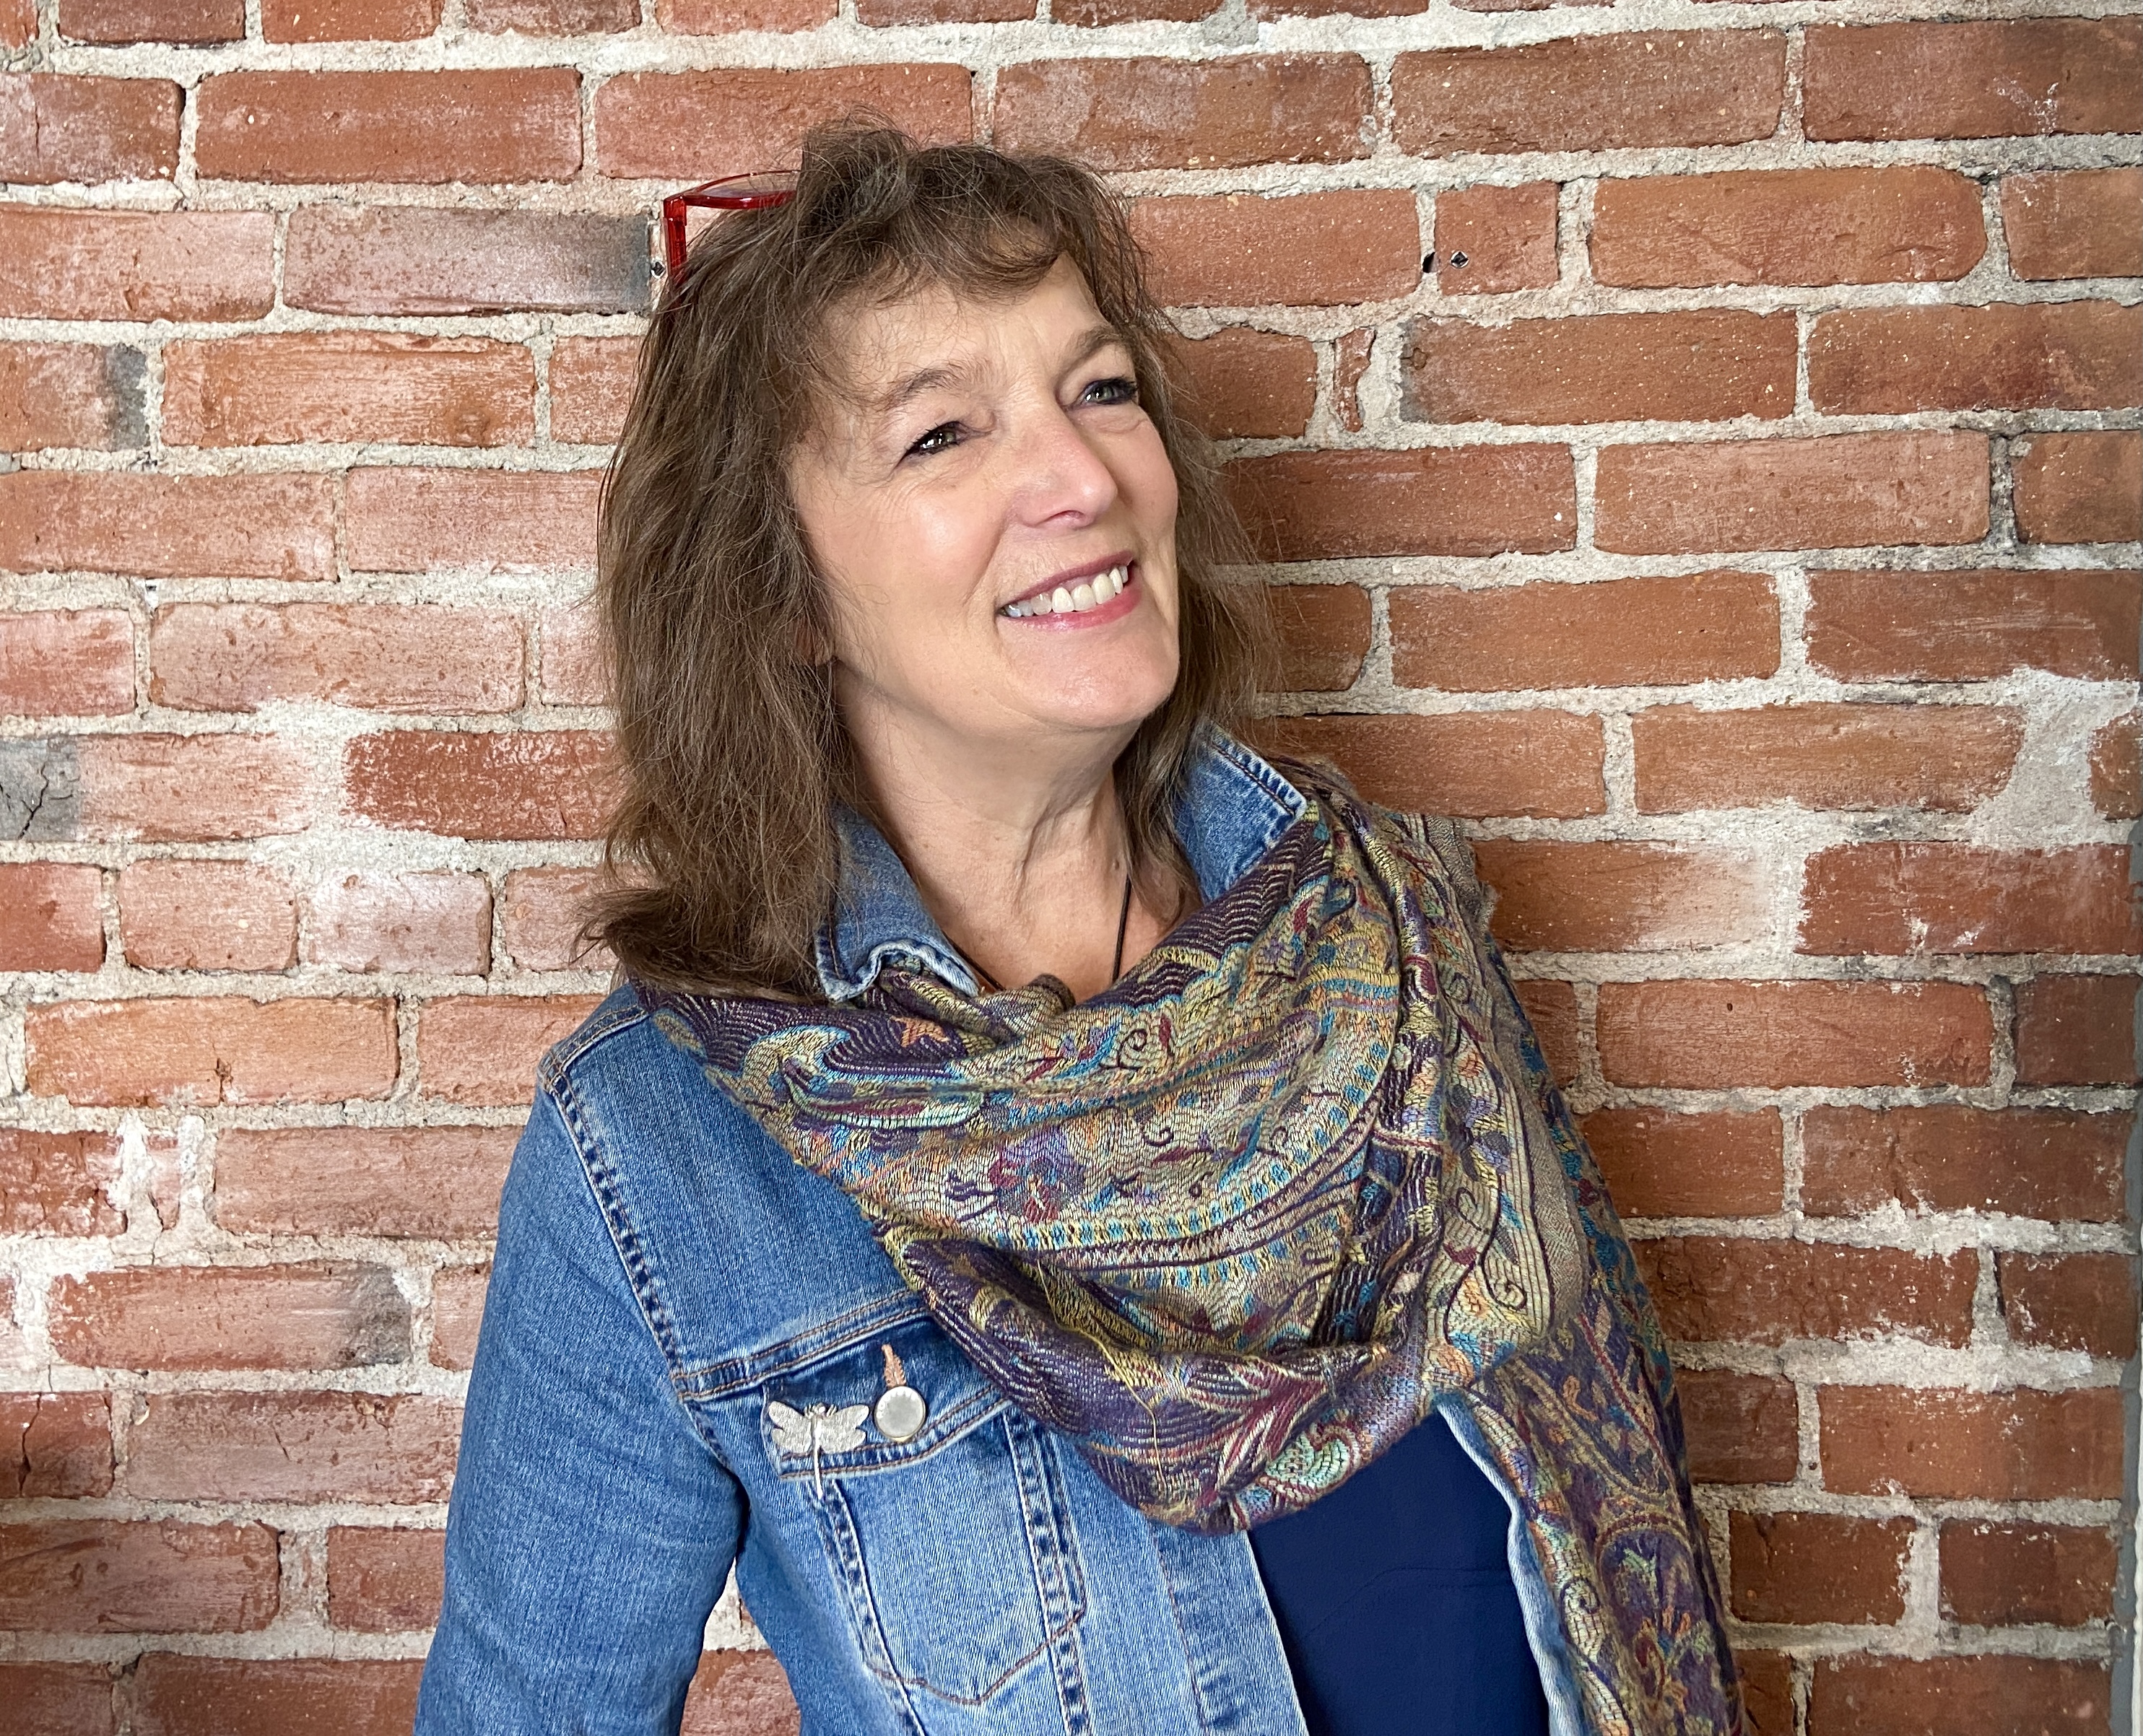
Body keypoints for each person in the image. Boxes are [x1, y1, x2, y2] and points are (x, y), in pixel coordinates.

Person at [414, 126, 1746, 1736]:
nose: (1079, 477)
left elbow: (1618, 1503)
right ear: (779, 597)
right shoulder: (656, 1155)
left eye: (1099, 389)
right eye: (940, 435)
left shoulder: (1390, 937)